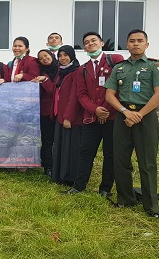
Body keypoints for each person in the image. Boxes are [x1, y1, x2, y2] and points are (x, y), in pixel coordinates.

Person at [105, 29, 159, 218]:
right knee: (120, 160)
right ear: (127, 44)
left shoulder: (154, 66)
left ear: (146, 45)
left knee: (147, 162)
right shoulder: (119, 68)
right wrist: (125, 112)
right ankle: (125, 199)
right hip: (123, 115)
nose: (136, 44)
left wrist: (139, 115)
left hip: (145, 116)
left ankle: (151, 206)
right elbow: (109, 94)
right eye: (132, 41)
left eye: (140, 41)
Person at [65, 32, 124, 197]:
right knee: (85, 152)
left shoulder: (115, 60)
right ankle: (79, 186)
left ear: (102, 43)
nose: (90, 44)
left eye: (93, 41)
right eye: (86, 42)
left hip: (112, 117)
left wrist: (106, 109)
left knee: (110, 154)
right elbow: (81, 95)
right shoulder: (82, 69)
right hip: (91, 118)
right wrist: (95, 110)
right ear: (84, 48)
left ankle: (105, 189)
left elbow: (120, 87)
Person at [51, 45, 81, 185]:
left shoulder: (76, 72)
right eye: (60, 56)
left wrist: (68, 117)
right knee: (60, 145)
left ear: (72, 56)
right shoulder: (60, 72)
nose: (62, 59)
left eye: (65, 55)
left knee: (70, 147)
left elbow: (75, 97)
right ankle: (58, 175)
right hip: (60, 114)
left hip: (70, 117)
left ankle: (69, 177)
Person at [32, 49, 59, 177]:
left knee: (59, 140)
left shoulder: (60, 70)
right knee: (47, 140)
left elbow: (54, 90)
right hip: (45, 111)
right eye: (41, 58)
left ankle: (59, 164)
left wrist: (45, 80)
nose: (44, 59)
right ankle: (47, 165)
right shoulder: (41, 73)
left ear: (52, 55)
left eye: (46, 55)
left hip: (60, 111)